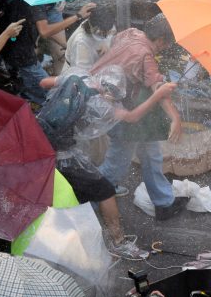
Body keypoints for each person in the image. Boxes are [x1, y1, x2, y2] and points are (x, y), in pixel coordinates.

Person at [39, 66, 177, 259]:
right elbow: (132, 117)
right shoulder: (102, 105)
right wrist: (158, 94)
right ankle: (118, 242)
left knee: (57, 192)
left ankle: (62, 231)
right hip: (63, 155)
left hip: (37, 140)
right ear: (111, 93)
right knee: (105, 190)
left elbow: (43, 83)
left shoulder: (77, 76)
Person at [91, 14, 184, 221]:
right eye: (166, 42)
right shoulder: (145, 56)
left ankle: (164, 203)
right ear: (160, 40)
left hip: (108, 99)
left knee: (150, 152)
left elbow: (116, 44)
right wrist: (176, 119)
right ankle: (88, 205)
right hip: (114, 108)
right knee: (116, 164)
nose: (166, 47)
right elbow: (158, 90)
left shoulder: (131, 33)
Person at [63, 4, 116, 72]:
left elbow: (112, 32)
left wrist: (105, 43)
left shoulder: (107, 23)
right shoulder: (80, 42)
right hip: (79, 74)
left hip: (97, 66)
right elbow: (82, 73)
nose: (104, 36)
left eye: (107, 32)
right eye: (100, 33)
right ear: (91, 25)